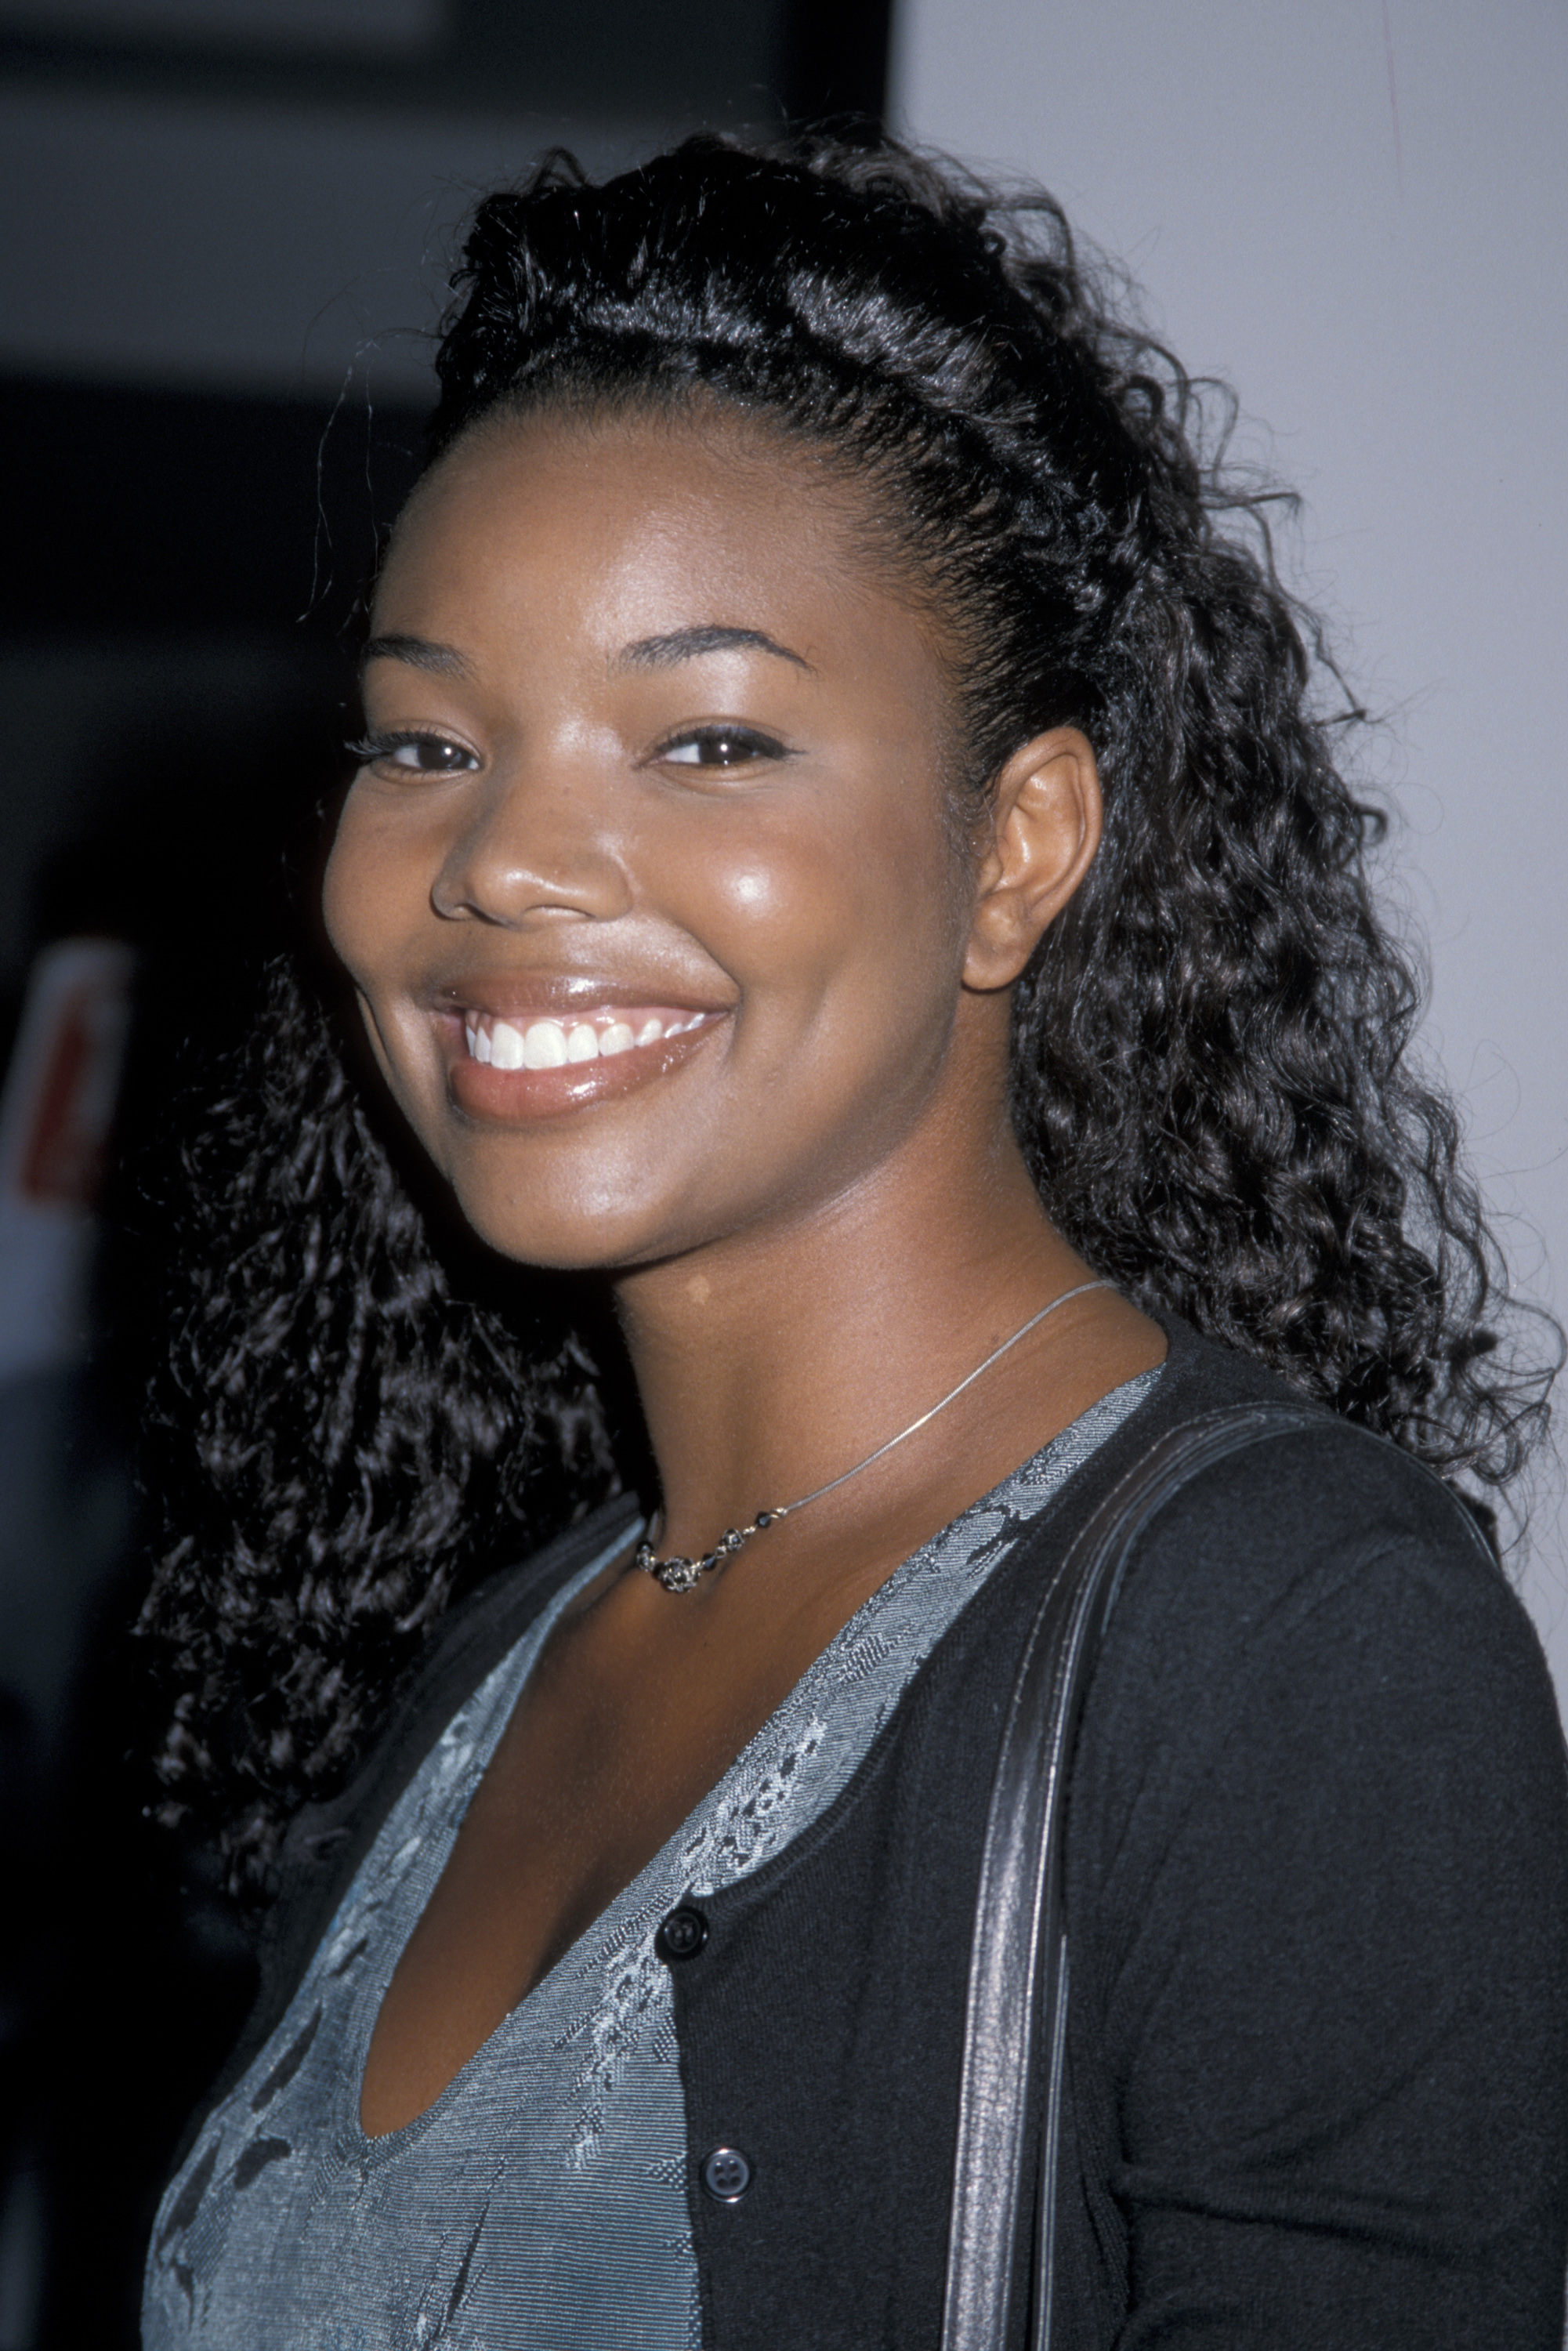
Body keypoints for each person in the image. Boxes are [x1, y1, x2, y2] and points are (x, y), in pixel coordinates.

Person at [136, 132, 1568, 2347]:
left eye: (706, 737)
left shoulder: (1291, 1643)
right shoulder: (471, 1675)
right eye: (424, 738)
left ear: (1019, 850)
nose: (506, 858)